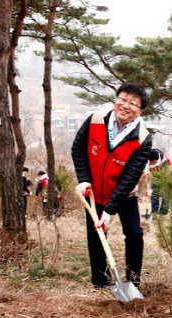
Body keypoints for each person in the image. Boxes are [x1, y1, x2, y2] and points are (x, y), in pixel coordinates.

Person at [71, 83, 152, 289]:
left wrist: (109, 210)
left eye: (133, 103)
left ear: (140, 110)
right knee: (96, 234)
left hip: (124, 195)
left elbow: (130, 177)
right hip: (94, 191)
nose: (126, 105)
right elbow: (78, 149)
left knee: (134, 234)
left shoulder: (143, 138)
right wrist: (84, 178)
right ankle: (100, 280)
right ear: (116, 99)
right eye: (123, 99)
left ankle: (133, 281)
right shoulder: (95, 120)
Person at [144, 148, 171, 218]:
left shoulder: (165, 161)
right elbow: (146, 169)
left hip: (166, 176)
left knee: (165, 195)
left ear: (158, 158)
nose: (152, 164)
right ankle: (154, 212)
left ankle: (163, 213)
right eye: (151, 162)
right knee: (154, 194)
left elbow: (168, 173)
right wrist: (146, 174)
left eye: (154, 162)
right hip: (155, 176)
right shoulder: (147, 159)